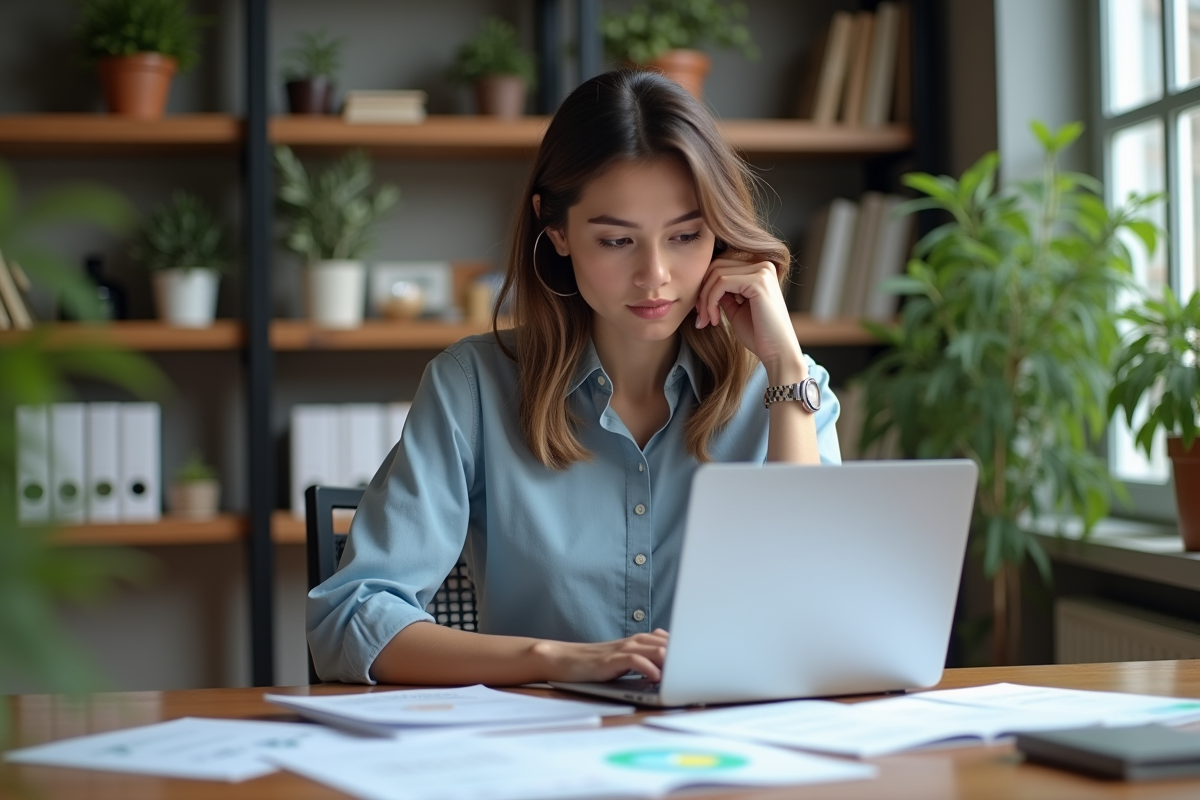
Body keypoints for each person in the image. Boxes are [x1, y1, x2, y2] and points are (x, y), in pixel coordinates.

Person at [307, 69, 841, 686]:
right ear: (556, 229)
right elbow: (350, 620)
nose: (656, 276)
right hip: (542, 756)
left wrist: (786, 367)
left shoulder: (787, 391)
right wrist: (558, 660)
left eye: (687, 236)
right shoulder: (472, 388)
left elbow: (820, 612)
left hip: (734, 759)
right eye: (616, 241)